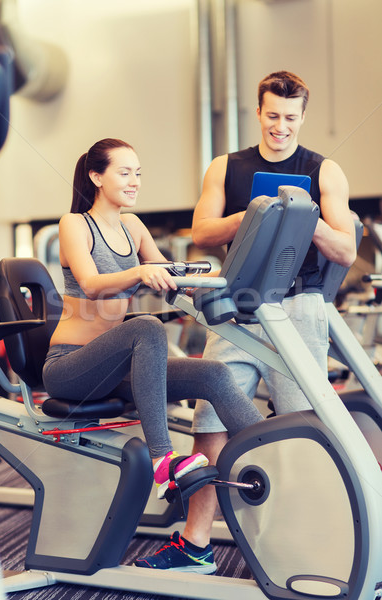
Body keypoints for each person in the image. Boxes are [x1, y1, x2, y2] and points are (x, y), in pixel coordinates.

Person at [135, 71, 357, 572]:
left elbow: (346, 247)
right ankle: (196, 545)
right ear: (258, 112)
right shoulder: (226, 167)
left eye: (291, 118)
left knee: (305, 426)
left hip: (297, 306)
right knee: (210, 422)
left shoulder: (325, 171)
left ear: (303, 117)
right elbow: (201, 231)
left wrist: (300, 215)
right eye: (273, 116)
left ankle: (316, 542)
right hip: (237, 304)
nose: (281, 126)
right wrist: (252, 215)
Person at [42, 137, 264, 507]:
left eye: (138, 173)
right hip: (71, 367)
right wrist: (141, 272)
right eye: (124, 172)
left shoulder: (133, 226)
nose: (135, 181)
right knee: (146, 326)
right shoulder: (75, 224)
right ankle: (164, 462)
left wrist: (231, 278)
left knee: (213, 373)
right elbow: (92, 285)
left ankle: (280, 450)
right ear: (96, 177)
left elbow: (170, 275)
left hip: (118, 372)